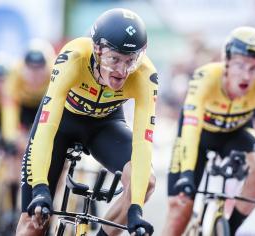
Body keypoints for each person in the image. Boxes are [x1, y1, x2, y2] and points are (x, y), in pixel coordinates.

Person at [16, 8, 157, 236]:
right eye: (114, 59)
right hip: (61, 122)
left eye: (130, 61)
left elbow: (143, 143)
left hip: (105, 126)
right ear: (97, 51)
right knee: (33, 222)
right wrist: (41, 188)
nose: (122, 71)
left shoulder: (145, 75)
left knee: (145, 182)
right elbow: (45, 129)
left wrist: (135, 210)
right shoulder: (74, 57)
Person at [162, 26, 255, 235]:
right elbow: (190, 129)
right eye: (240, 65)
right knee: (179, 210)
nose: (246, 75)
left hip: (235, 134)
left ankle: (229, 230)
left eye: (254, 68)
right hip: (197, 135)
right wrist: (187, 175)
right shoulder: (205, 77)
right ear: (226, 61)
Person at [1, 40, 54, 213]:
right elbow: (9, 109)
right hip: (23, 108)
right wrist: (11, 136)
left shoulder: (54, 73)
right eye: (31, 69)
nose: (35, 76)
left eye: (39, 70)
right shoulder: (15, 74)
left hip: (45, 104)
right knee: (16, 150)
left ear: (46, 68)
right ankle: (11, 201)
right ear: (24, 68)